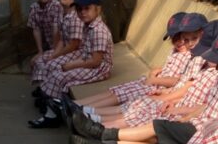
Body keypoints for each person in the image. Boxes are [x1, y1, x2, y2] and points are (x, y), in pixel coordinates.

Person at [70, 29, 218, 144]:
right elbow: (206, 106)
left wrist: (185, 116)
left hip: (205, 134)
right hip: (196, 124)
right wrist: (186, 116)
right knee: (155, 136)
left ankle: (102, 132)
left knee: (156, 126)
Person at [71, 11, 207, 127]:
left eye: (181, 38)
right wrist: (157, 74)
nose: (178, 42)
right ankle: (79, 107)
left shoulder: (190, 55)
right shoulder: (178, 52)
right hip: (155, 85)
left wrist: (156, 80)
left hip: (157, 88)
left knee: (128, 103)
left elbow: (178, 80)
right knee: (116, 92)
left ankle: (88, 115)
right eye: (174, 39)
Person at [29, 0, 114, 129]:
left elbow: (96, 61)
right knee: (57, 73)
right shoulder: (89, 26)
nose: (83, 13)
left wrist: (72, 65)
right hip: (89, 62)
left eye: (87, 9)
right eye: (80, 9)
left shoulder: (99, 31)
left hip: (99, 69)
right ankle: (53, 107)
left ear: (98, 9)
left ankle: (53, 114)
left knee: (59, 76)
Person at [30, 0, 84, 89]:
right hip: (66, 49)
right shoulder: (65, 15)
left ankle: (52, 95)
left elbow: (74, 44)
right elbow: (62, 40)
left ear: (76, 0)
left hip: (77, 52)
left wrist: (55, 56)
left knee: (51, 64)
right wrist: (54, 54)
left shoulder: (76, 18)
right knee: (40, 61)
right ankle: (44, 89)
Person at [26, 0, 63, 73]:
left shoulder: (56, 6)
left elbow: (57, 29)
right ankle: (42, 85)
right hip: (47, 43)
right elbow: (36, 29)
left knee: (47, 62)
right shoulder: (34, 7)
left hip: (61, 43)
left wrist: (55, 52)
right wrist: (40, 51)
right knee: (35, 62)